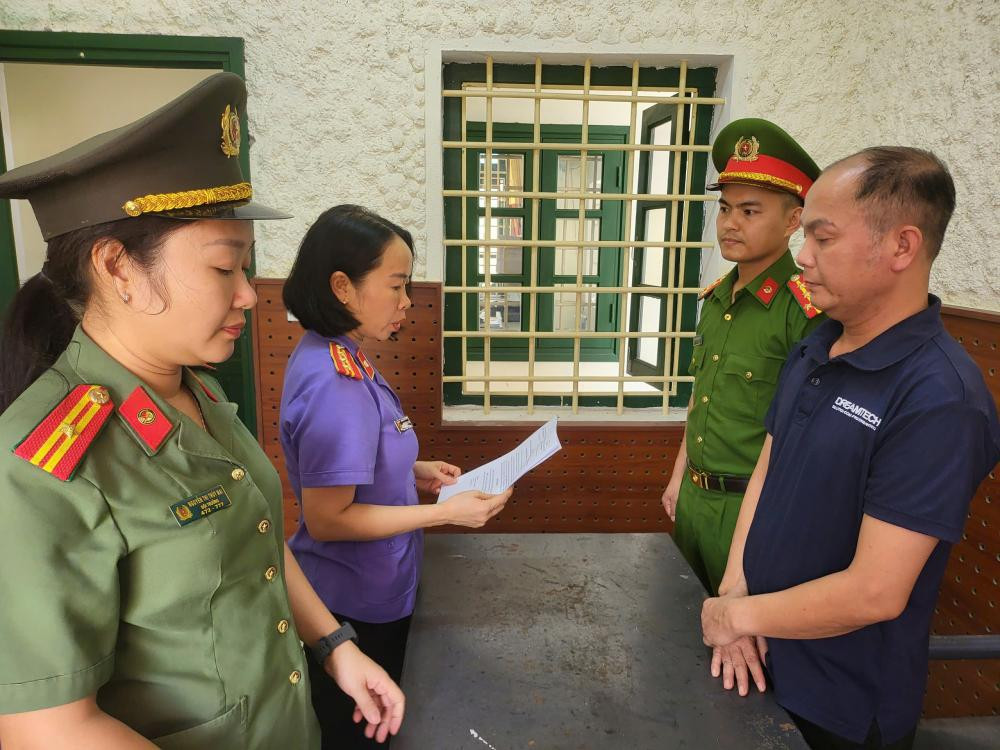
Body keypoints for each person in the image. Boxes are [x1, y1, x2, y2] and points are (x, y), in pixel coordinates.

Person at [0, 73, 404, 749]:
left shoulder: (200, 394)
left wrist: (336, 646)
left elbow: (258, 537)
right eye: (225, 269)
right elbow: (44, 726)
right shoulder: (43, 468)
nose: (248, 295)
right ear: (118, 268)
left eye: (247, 269)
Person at [701, 147, 1000, 749]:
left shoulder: (939, 397)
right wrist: (735, 593)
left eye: (822, 237)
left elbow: (875, 590)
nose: (803, 258)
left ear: (901, 247)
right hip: (754, 658)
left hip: (838, 703)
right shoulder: (818, 346)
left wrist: (736, 616)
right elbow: (767, 466)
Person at [280, 204, 512, 749]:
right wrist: (445, 512)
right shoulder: (334, 381)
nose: (407, 302)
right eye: (397, 285)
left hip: (373, 586)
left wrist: (414, 469)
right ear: (342, 286)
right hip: (352, 603)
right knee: (361, 734)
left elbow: (352, 462)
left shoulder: (341, 355)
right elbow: (329, 517)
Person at [661, 118, 825, 595]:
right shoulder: (716, 301)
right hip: (694, 499)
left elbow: (806, 434)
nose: (730, 223)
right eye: (725, 207)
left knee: (744, 656)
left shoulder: (802, 312)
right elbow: (701, 401)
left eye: (750, 211)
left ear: (793, 220)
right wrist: (677, 479)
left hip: (752, 513)